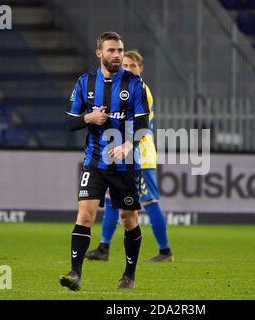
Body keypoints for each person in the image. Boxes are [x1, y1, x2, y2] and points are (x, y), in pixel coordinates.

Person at [59, 32, 150, 291]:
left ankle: (128, 276)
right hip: (95, 162)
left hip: (126, 164)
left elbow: (143, 124)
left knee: (128, 219)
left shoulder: (134, 83)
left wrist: (129, 144)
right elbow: (70, 121)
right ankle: (75, 273)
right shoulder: (85, 83)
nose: (117, 55)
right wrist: (89, 118)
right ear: (99, 53)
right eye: (111, 50)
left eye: (120, 50)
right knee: (85, 214)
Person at [85, 50, 174, 263]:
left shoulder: (140, 89)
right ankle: (104, 247)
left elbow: (136, 124)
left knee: (149, 202)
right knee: (112, 201)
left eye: (133, 66)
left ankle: (165, 251)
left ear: (140, 68)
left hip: (140, 154)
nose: (129, 69)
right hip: (118, 153)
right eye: (125, 66)